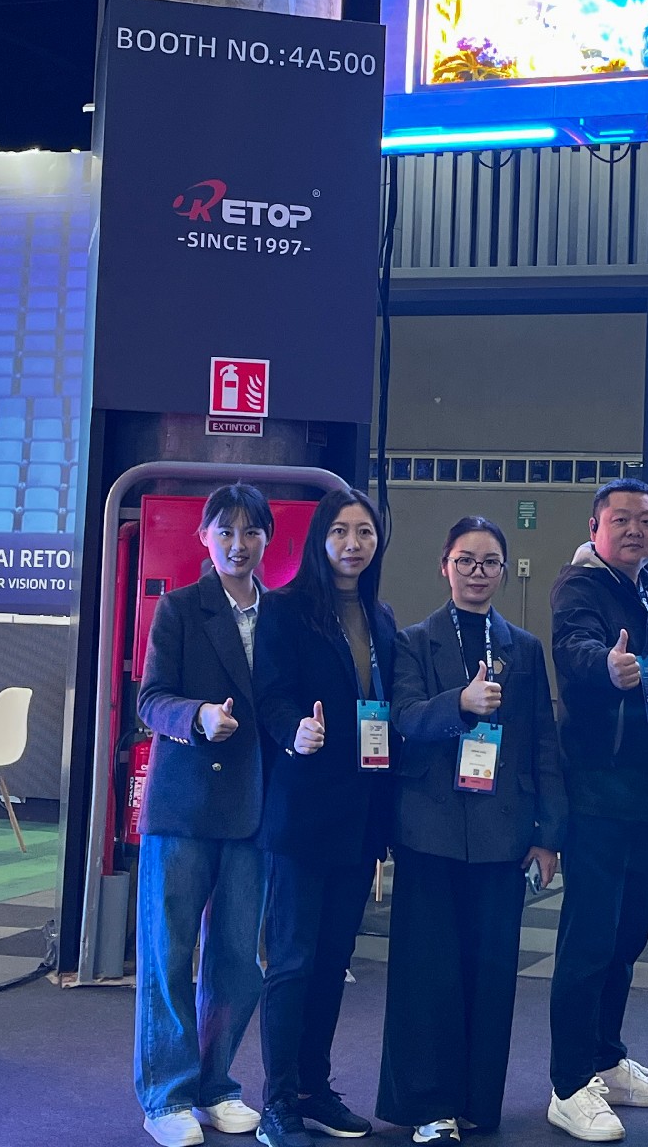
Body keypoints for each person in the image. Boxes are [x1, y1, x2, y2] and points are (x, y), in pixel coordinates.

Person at [377, 515, 569, 1143]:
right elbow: (404, 717)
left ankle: (478, 1102)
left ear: (504, 570)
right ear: (445, 566)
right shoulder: (413, 641)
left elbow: (543, 742)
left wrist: (548, 834)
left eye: (489, 562)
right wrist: (458, 704)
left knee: (490, 975)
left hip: (502, 832)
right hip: (428, 830)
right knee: (427, 973)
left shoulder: (524, 648)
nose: (477, 573)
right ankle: (428, 1105)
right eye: (465, 560)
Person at [252, 489, 397, 1147]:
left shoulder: (381, 616)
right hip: (303, 812)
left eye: (364, 531)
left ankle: (315, 1088)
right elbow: (272, 695)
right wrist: (294, 732)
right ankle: (278, 1102)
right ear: (320, 539)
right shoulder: (285, 609)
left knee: (334, 957)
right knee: (292, 961)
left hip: (360, 816)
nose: (353, 543)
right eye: (340, 531)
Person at [133, 484, 274, 1147]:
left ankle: (217, 1086)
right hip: (184, 806)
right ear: (205, 539)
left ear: (267, 539)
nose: (238, 545)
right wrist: (197, 717)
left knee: (238, 959)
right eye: (226, 532)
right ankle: (165, 1095)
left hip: (254, 808)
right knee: (169, 953)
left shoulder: (280, 616)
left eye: (251, 532)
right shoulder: (180, 608)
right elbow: (150, 699)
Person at [546, 479, 648, 1141]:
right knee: (589, 940)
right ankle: (569, 1084)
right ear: (595, 528)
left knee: (628, 937)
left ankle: (606, 1058)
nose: (635, 530)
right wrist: (606, 664)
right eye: (622, 519)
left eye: (647, 520)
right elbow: (574, 649)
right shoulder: (579, 587)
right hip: (597, 792)